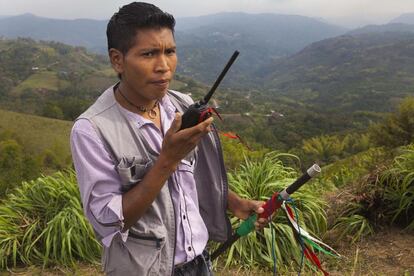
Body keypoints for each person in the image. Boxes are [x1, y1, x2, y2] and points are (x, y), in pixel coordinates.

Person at [70, 2, 268, 275]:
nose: (164, 66)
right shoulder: (92, 130)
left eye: (170, 52)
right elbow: (110, 221)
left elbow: (190, 175)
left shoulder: (181, 105)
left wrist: (235, 203)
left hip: (200, 262)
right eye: (149, 54)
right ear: (117, 60)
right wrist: (166, 160)